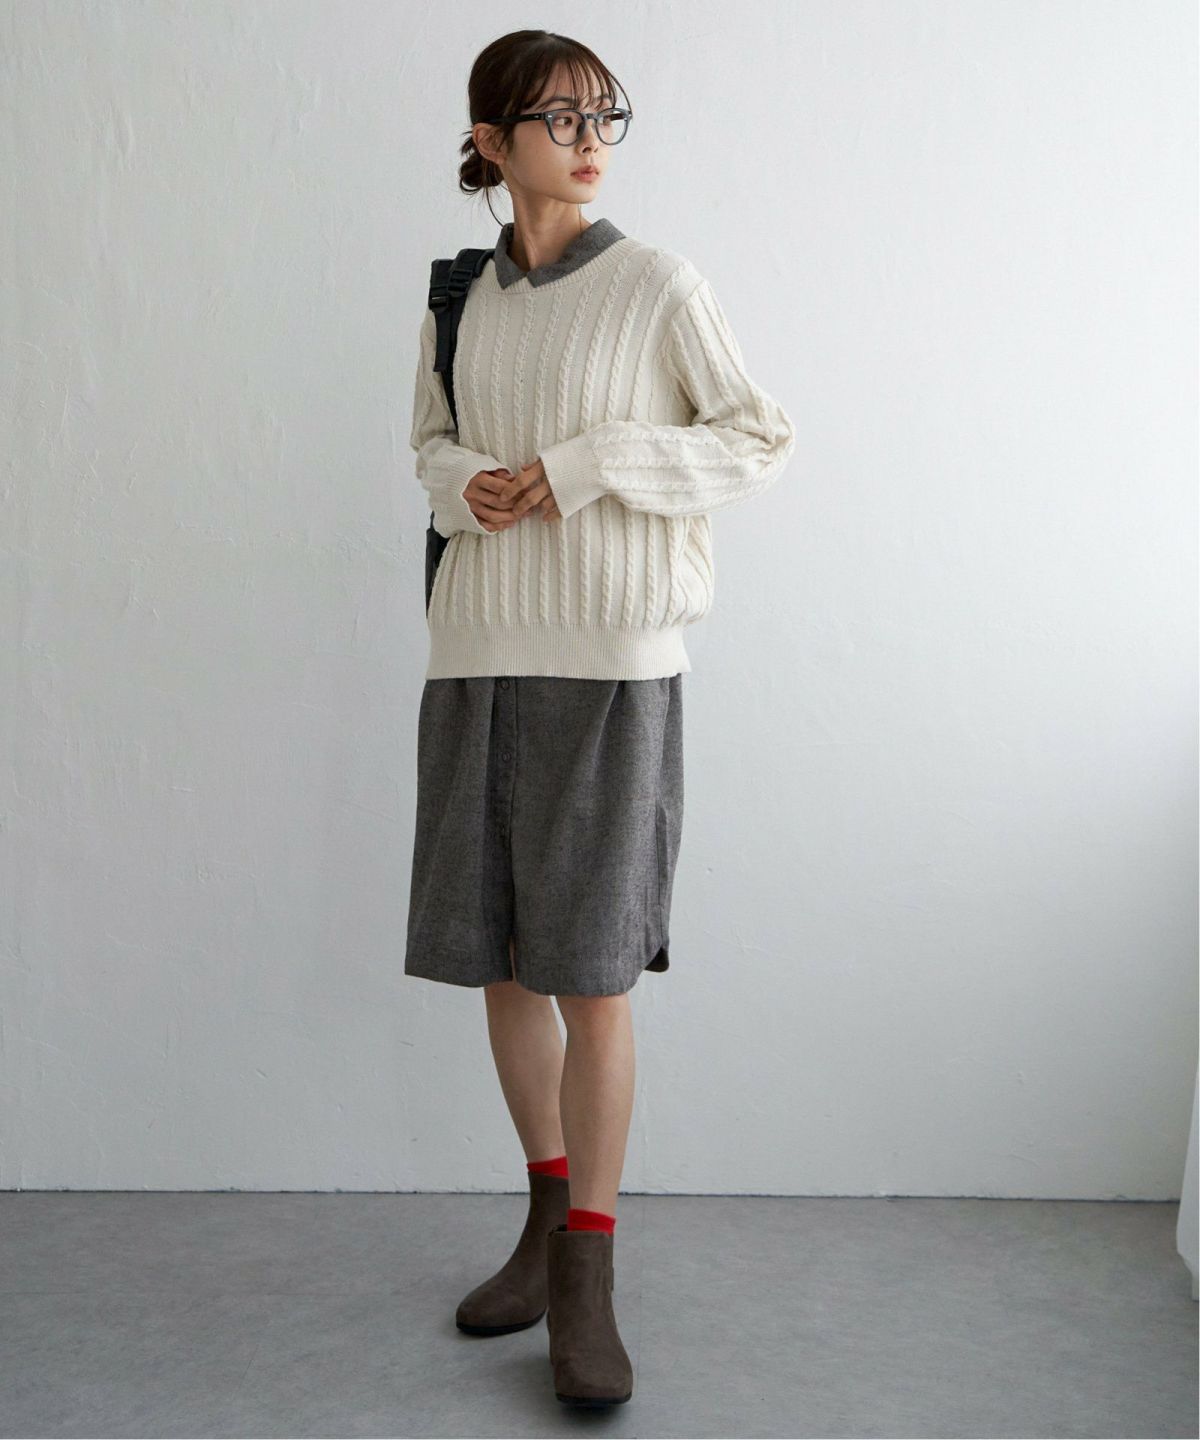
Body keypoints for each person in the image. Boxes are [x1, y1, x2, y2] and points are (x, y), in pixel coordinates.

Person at [403, 30, 795, 1408]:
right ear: (491, 141)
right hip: (475, 659)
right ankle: (540, 1217)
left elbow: (757, 436)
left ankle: (588, 1272)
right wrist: (463, 486)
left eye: (602, 115)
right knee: (504, 968)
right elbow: (428, 443)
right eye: (558, 117)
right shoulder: (458, 297)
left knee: (593, 976)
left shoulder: (658, 285)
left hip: (613, 669)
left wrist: (588, 465)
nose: (588, 139)